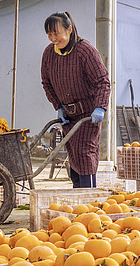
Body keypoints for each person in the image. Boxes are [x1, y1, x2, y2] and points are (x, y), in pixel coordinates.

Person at [40, 11, 111, 188]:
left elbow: (102, 81)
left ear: (69, 29)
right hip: (68, 115)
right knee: (73, 155)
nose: (53, 38)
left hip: (88, 114)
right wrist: (58, 106)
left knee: (85, 153)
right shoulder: (49, 54)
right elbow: (46, 82)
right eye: (49, 34)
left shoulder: (85, 51)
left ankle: (89, 197)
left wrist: (100, 107)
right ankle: (78, 195)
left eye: (56, 33)